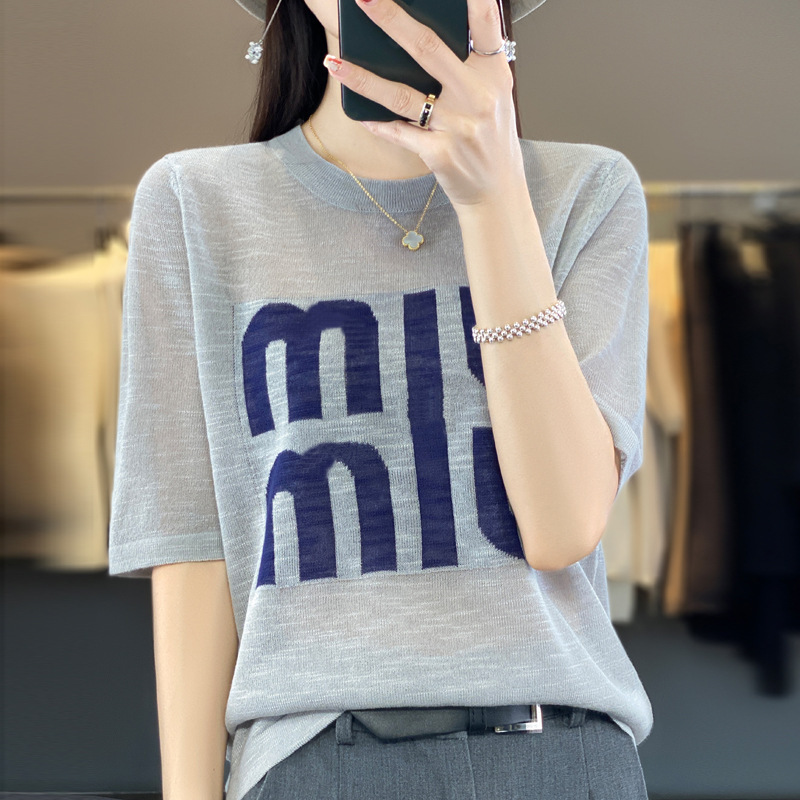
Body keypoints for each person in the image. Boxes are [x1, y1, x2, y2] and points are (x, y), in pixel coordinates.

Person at [107, 0, 654, 797]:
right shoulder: (196, 202)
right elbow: (194, 542)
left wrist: (493, 200)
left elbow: (563, 526)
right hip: (316, 758)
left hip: (561, 755)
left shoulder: (588, 191)